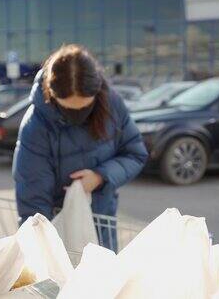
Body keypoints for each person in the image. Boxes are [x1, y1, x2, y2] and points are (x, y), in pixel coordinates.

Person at [12, 44, 148, 251]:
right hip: (59, 231)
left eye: (85, 107)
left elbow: (135, 153)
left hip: (102, 226)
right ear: (50, 93)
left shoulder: (112, 105)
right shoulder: (36, 125)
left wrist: (101, 176)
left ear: (96, 92)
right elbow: (33, 196)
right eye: (67, 108)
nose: (77, 116)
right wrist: (38, 248)